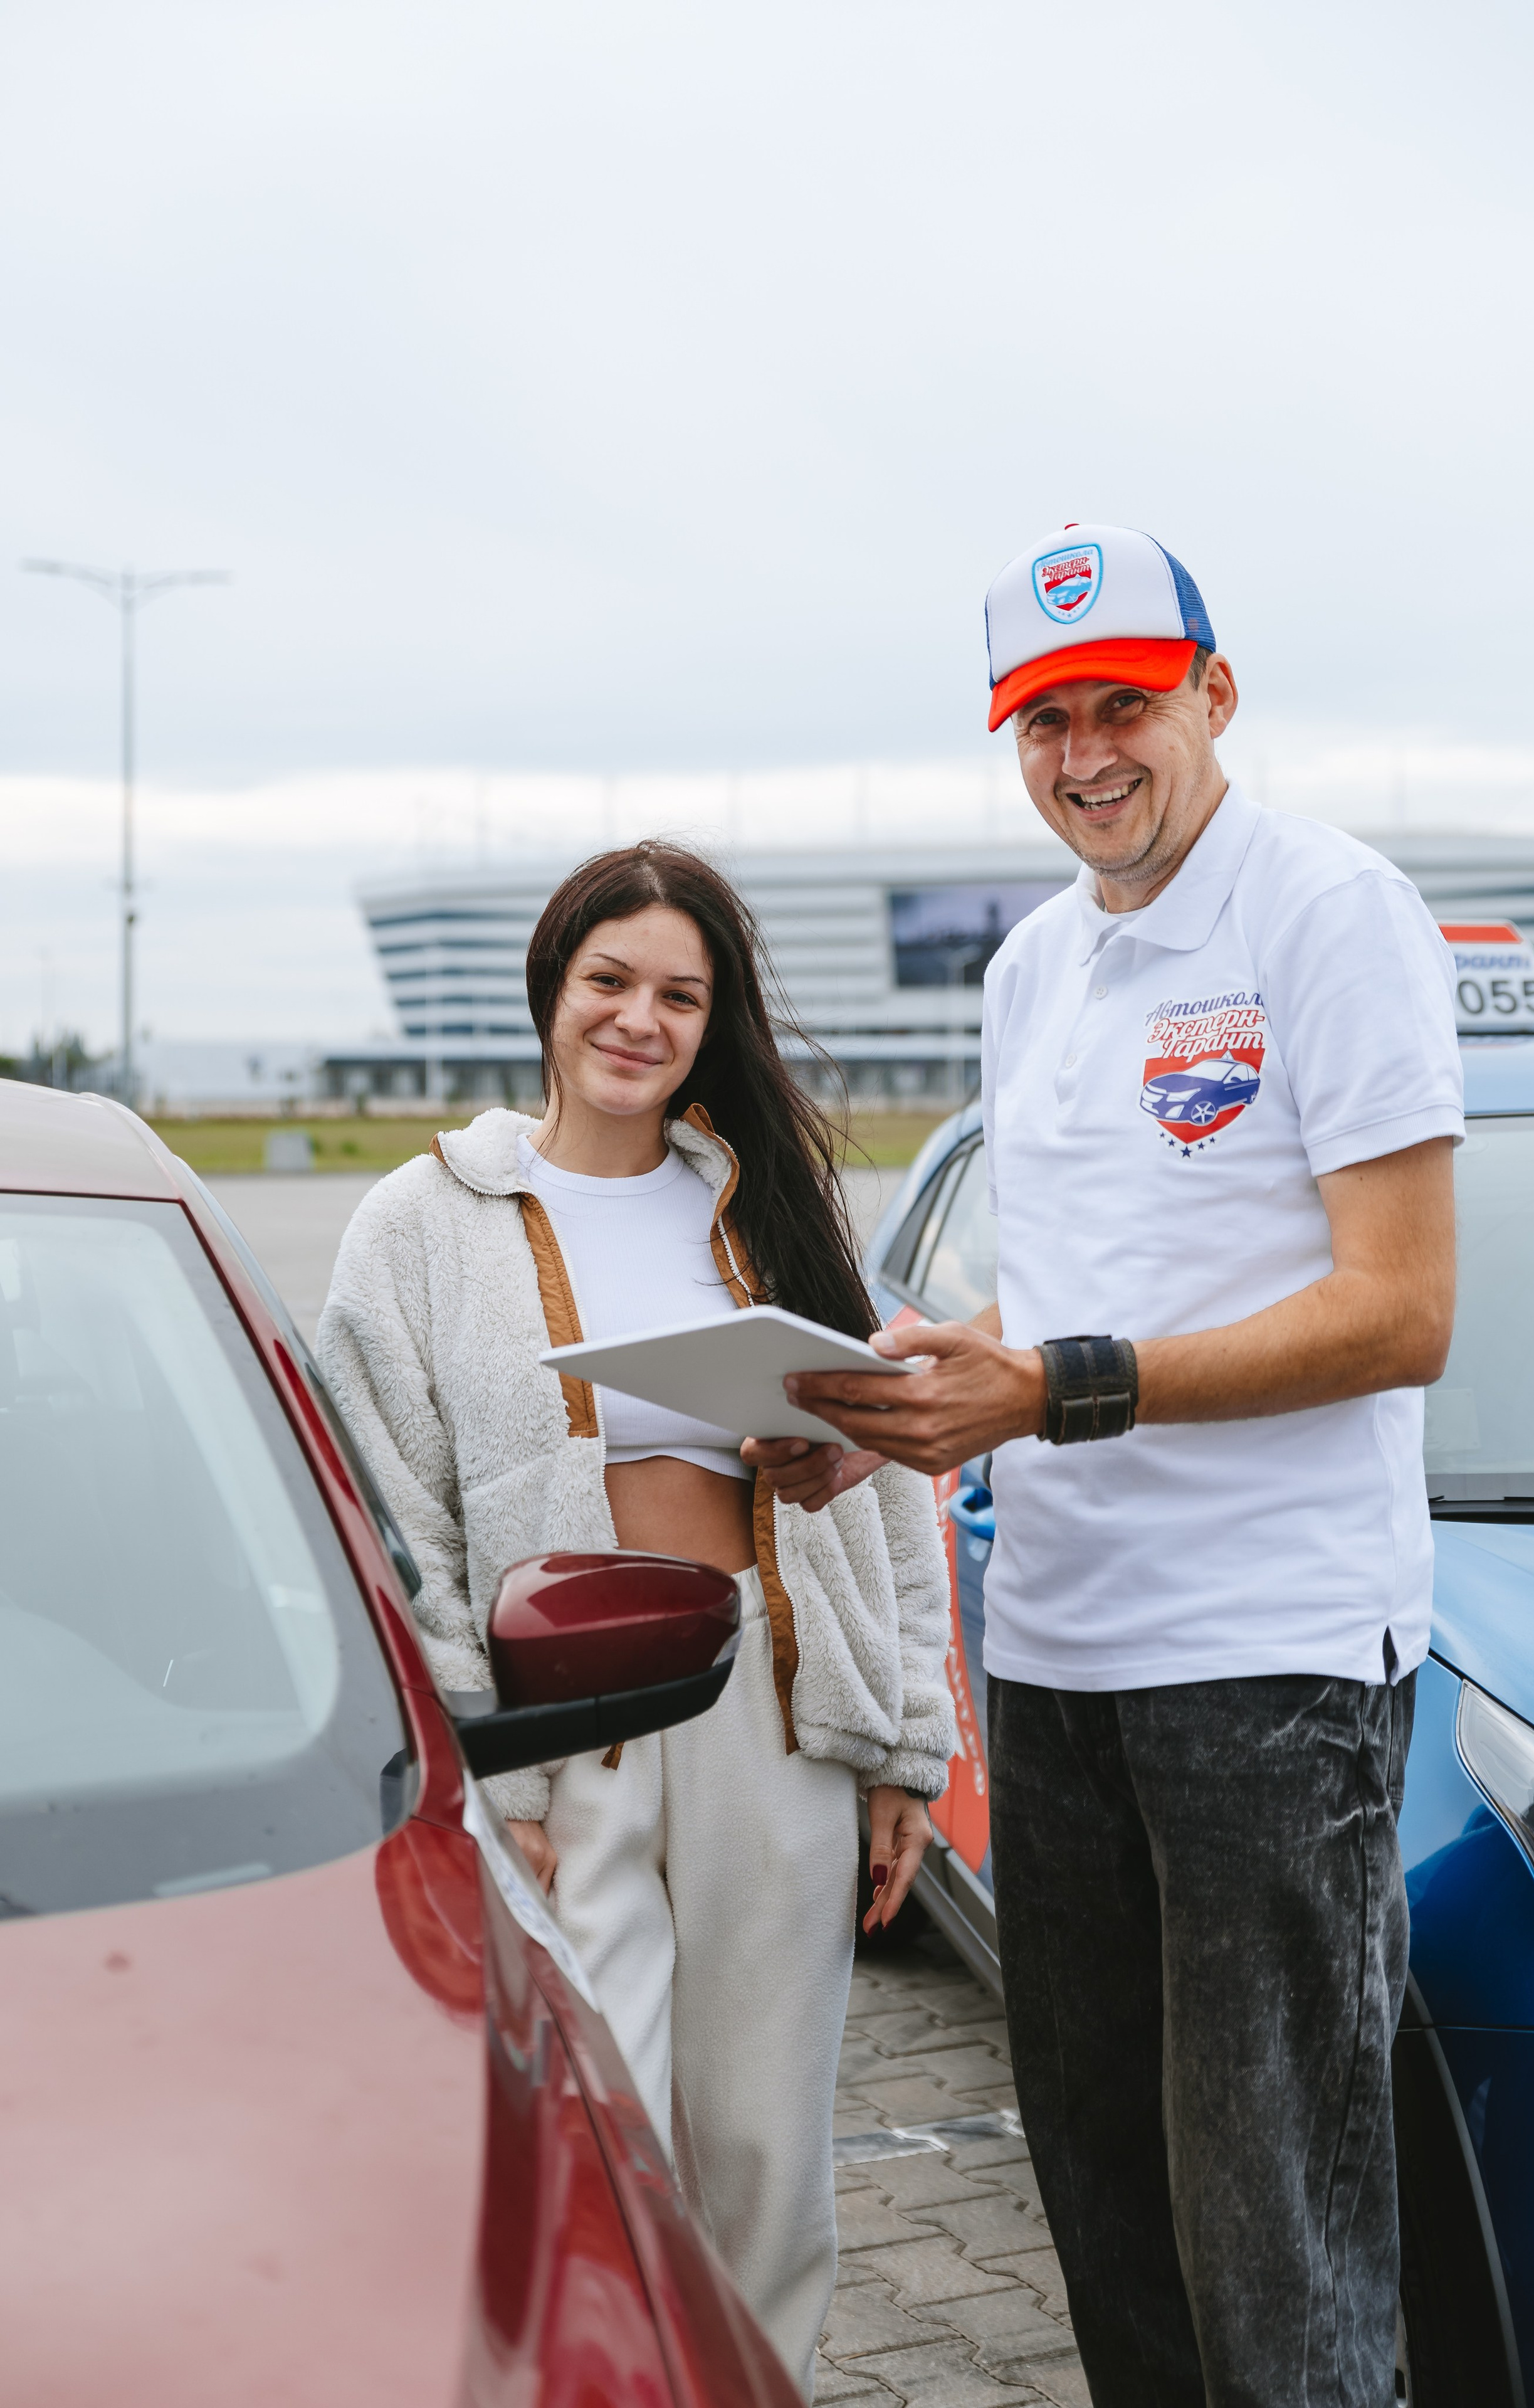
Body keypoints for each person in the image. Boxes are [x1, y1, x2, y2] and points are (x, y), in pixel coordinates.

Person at [747, 524, 1463, 2404]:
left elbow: (1401, 1314)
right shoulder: (1032, 966)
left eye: (1122, 706)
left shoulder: (1328, 910)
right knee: (1110, 2219)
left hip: (1268, 1662)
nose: (1084, 756)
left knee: (1281, 2243)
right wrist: (897, 1402)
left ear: (1216, 697)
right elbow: (1058, 1309)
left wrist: (1055, 1385)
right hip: (1054, 1659)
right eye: (1042, 719)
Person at [318, 841, 953, 2399]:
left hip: (767, 1710)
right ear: (552, 991)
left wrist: (907, 1752)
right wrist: (497, 1770)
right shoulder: (422, 1221)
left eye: (680, 994)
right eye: (609, 981)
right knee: (603, 2124)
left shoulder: (767, 1208)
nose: (639, 1019)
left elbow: (885, 1493)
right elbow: (396, 1517)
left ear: (709, 1021)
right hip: (565, 1723)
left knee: (762, 2143)